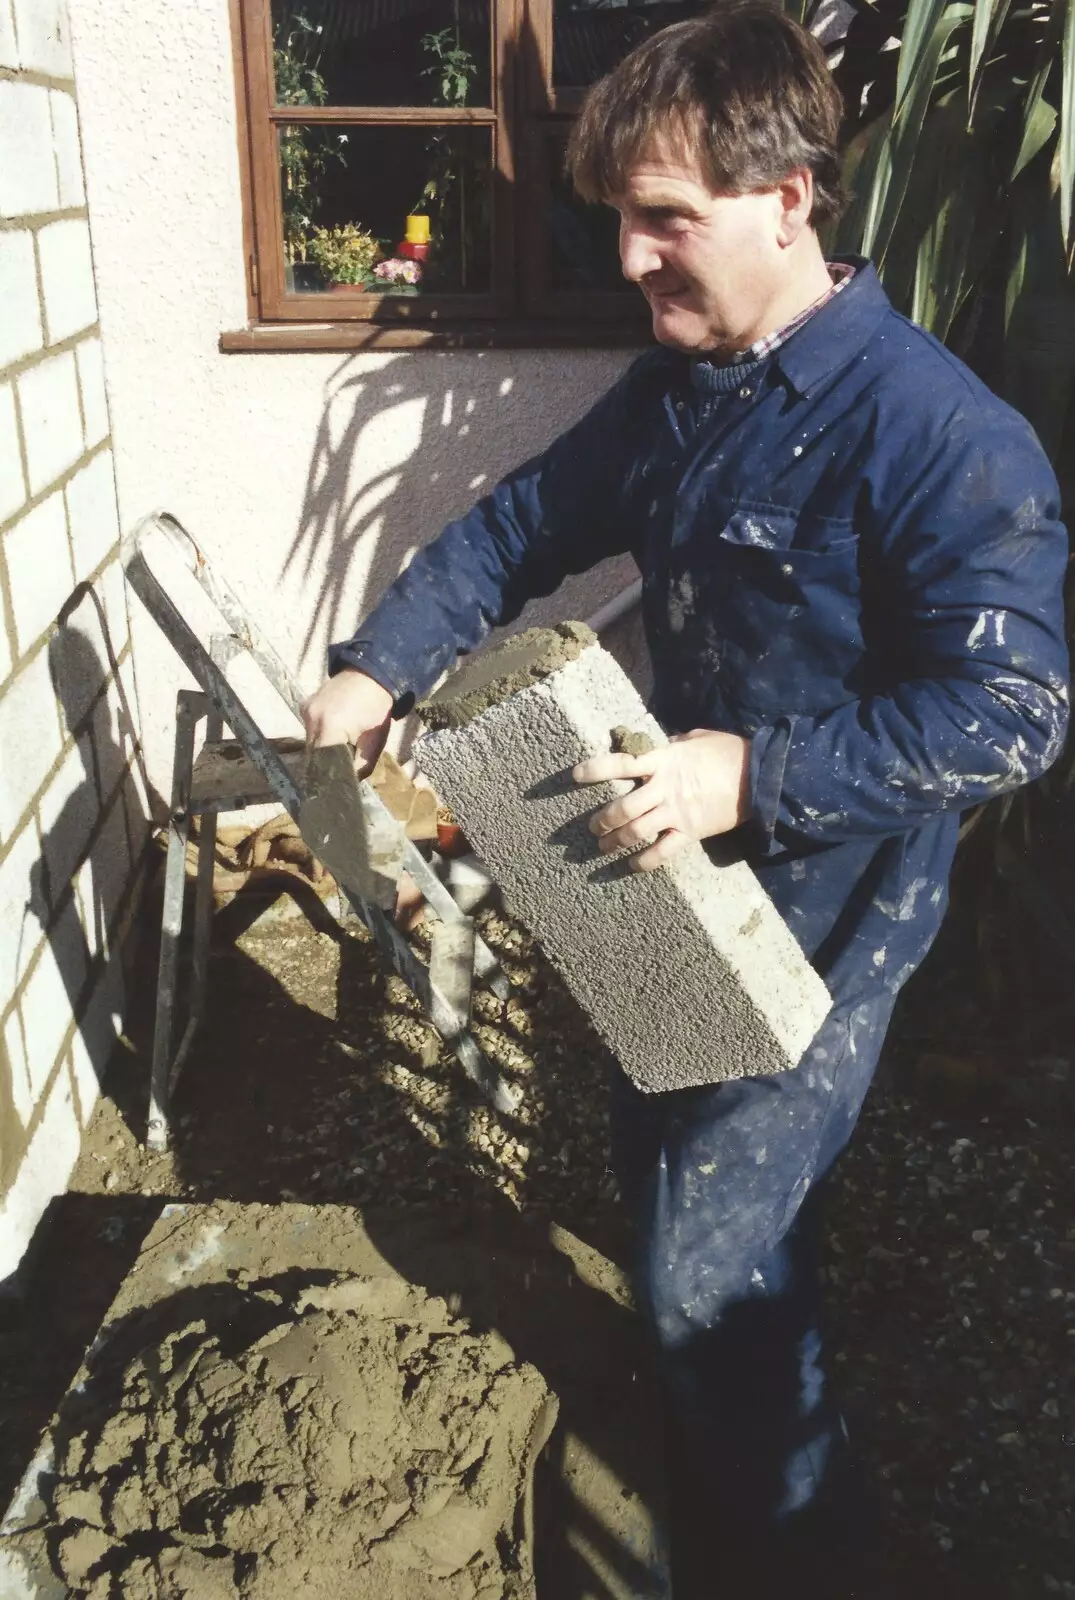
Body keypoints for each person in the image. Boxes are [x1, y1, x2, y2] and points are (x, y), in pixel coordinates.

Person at [302, 3, 1070, 1592]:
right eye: (621, 226)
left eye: (670, 221)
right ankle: (719, 1422)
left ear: (788, 195)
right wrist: (374, 672)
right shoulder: (683, 391)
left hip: (825, 891)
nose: (636, 262)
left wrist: (748, 770)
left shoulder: (934, 434)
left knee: (707, 1255)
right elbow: (520, 526)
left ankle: (798, 1552)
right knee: (669, 1148)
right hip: (664, 853)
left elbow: (1014, 710)